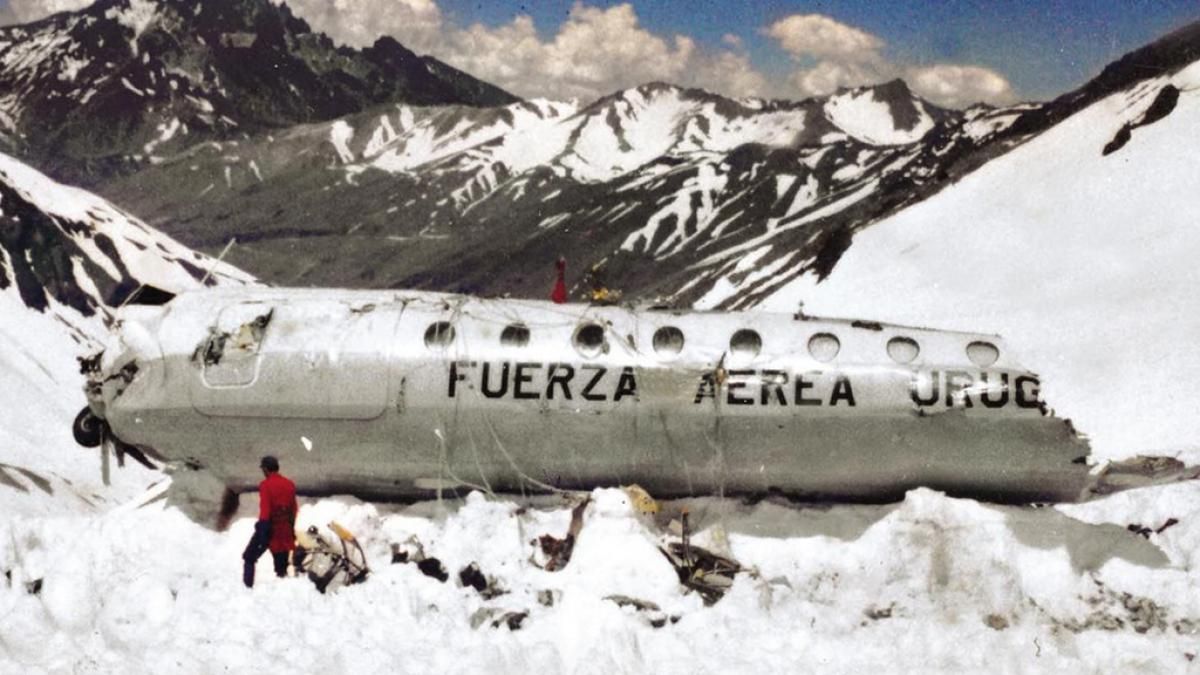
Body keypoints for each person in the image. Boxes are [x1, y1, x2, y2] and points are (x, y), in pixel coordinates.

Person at [242, 455, 298, 588]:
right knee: (281, 566)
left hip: (269, 527)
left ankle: (247, 589)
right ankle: (282, 589)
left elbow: (265, 509)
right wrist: (290, 528)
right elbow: (294, 509)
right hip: (284, 529)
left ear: (266, 469)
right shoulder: (289, 484)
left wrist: (262, 530)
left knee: (249, 557)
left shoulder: (265, 485)